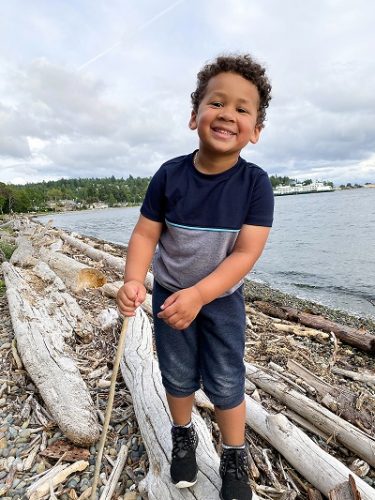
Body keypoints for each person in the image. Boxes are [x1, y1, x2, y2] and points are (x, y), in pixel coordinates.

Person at [117, 53, 274, 500]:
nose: (228, 114)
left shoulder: (255, 184)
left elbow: (246, 254)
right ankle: (182, 434)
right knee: (178, 374)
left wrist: (202, 295)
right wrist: (132, 279)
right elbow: (146, 234)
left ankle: (234, 453)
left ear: (256, 131)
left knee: (226, 380)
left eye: (243, 109)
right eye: (216, 103)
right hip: (169, 293)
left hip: (221, 298)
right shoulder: (170, 176)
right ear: (194, 116)